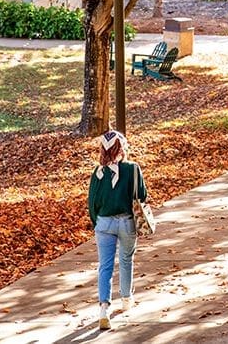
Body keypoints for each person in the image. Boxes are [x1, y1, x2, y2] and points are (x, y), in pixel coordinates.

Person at [87, 130, 147, 330]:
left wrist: (98, 223)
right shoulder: (133, 168)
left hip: (104, 223)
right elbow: (142, 195)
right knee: (126, 259)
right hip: (126, 221)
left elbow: (92, 203)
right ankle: (126, 298)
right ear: (121, 148)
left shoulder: (97, 173)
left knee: (105, 266)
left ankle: (104, 307)